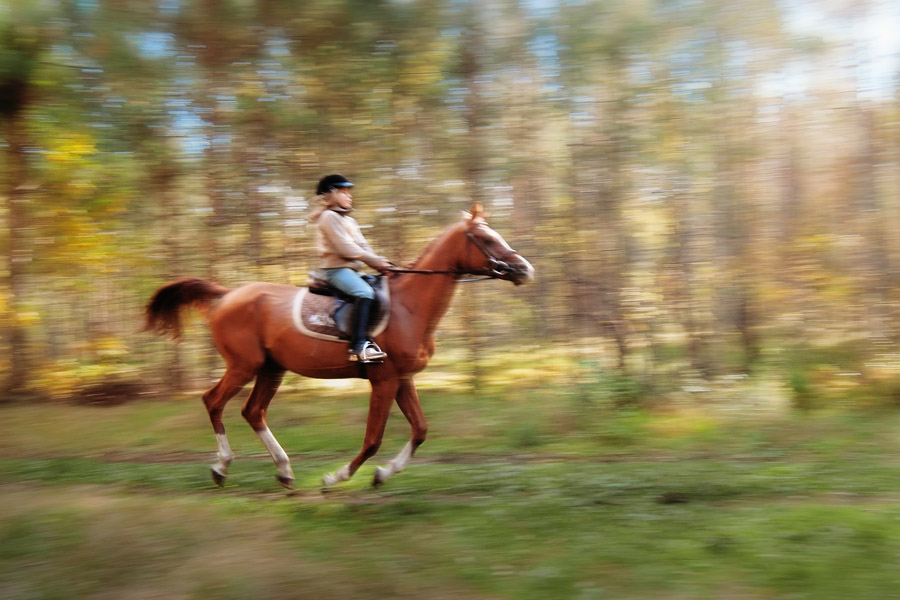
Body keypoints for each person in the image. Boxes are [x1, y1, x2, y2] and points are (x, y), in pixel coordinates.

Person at [310, 174, 393, 363]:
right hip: (335, 270)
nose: (349, 196)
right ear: (331, 195)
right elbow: (346, 249)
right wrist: (375, 261)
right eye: (343, 192)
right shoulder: (328, 217)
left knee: (380, 288)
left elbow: (363, 247)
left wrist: (381, 263)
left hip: (353, 271)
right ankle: (358, 347)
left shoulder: (350, 221)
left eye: (349, 192)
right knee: (364, 293)